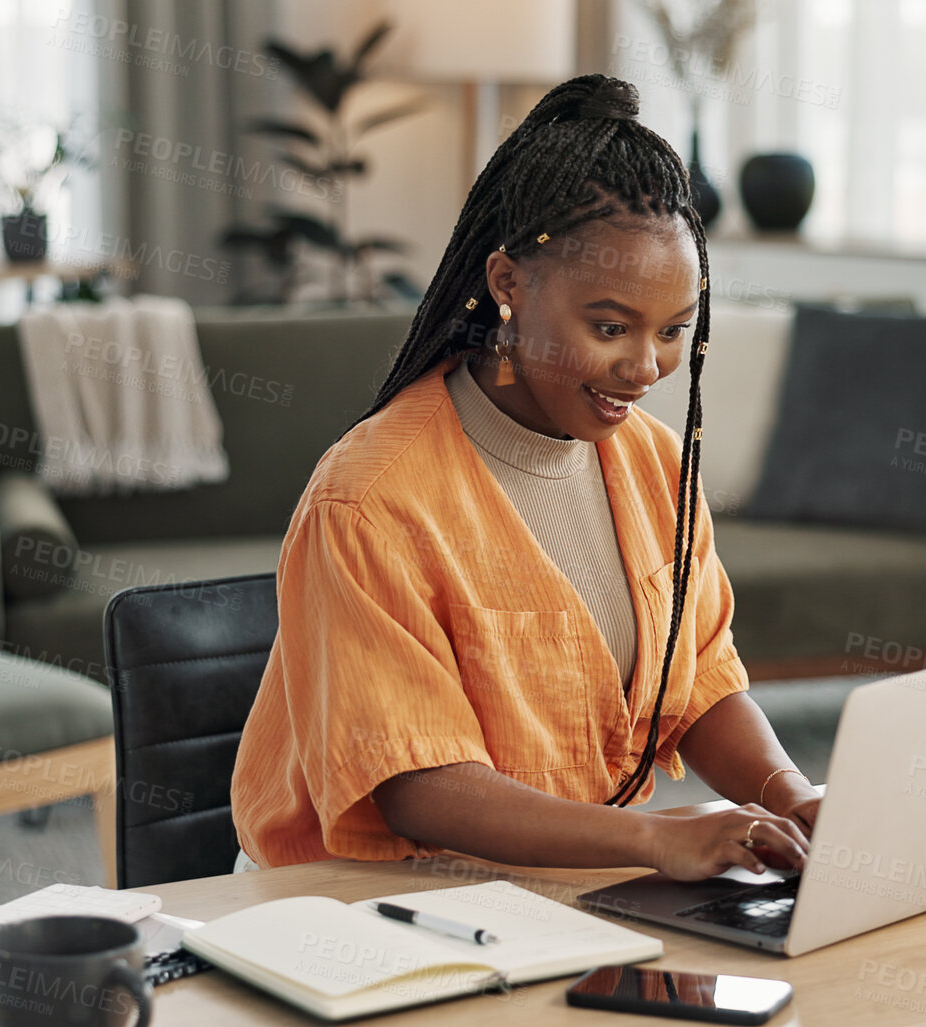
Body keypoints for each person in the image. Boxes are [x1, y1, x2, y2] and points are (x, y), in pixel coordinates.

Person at [231, 74, 819, 882]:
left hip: (549, 881)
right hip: (356, 900)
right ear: (508, 284)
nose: (645, 367)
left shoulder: (651, 459)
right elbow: (420, 787)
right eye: (609, 327)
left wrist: (790, 795)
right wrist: (654, 839)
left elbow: (701, 683)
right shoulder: (370, 499)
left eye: (674, 329)